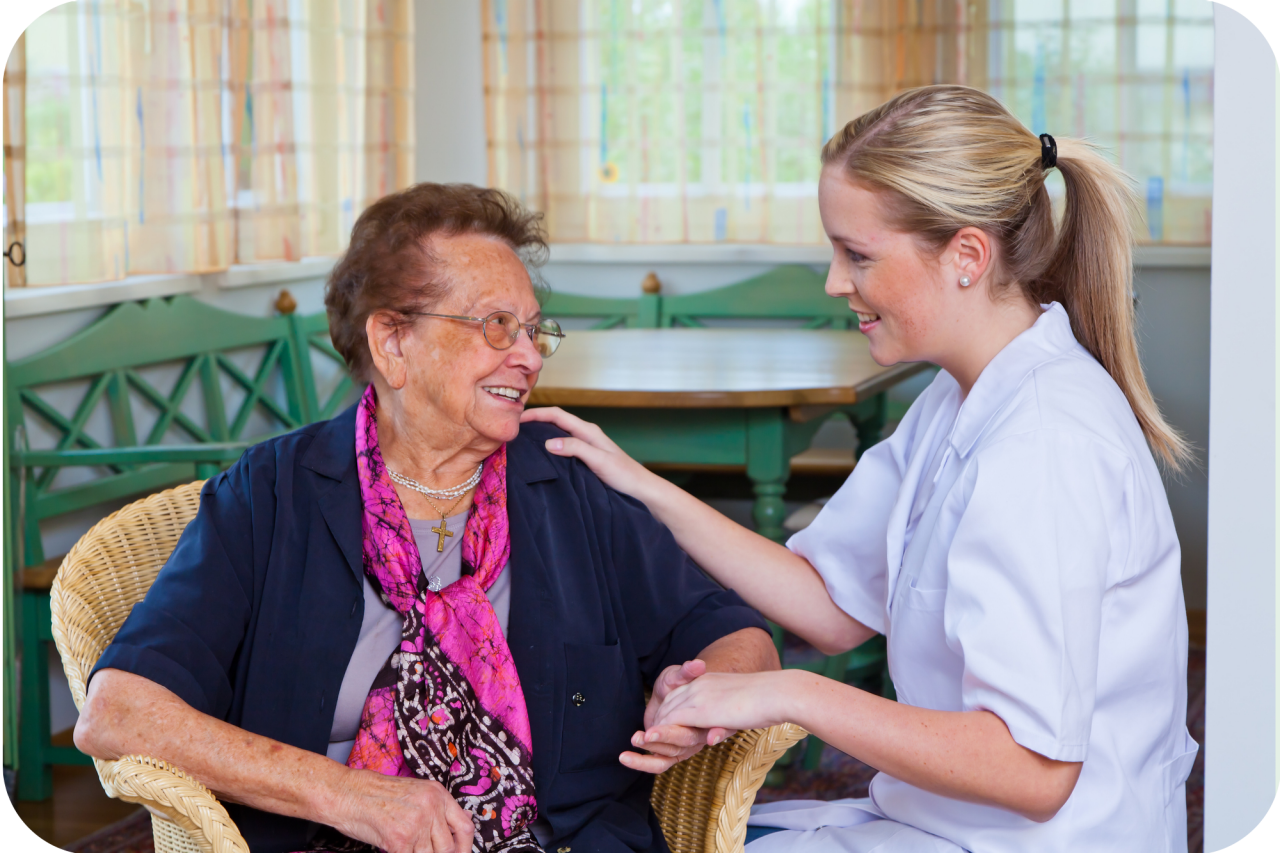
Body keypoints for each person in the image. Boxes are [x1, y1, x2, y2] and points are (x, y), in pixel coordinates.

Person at [523, 85, 1199, 853]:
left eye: (858, 255)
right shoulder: (961, 397)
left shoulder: (1043, 445)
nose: (835, 283)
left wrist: (785, 692)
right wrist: (642, 484)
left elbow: (1032, 770)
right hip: (938, 824)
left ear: (967, 257)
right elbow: (830, 603)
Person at [74, 183, 778, 853]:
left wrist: (695, 694)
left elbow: (736, 634)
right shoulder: (270, 495)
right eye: (497, 326)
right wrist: (349, 794)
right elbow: (119, 711)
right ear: (393, 342)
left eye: (535, 330)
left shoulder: (569, 482)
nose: (529, 356)